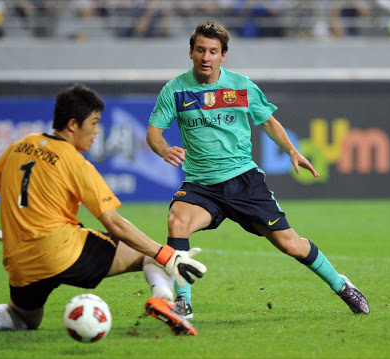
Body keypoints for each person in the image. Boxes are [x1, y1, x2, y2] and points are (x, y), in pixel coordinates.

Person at [0, 84, 206, 336]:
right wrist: (167, 255)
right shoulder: (75, 163)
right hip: (63, 252)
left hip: (20, 261)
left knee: (24, 318)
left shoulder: (19, 146)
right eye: (94, 123)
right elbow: (115, 223)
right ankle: (165, 301)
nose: (98, 131)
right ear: (73, 124)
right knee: (152, 256)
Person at [146, 21, 370, 318]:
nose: (206, 57)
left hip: (243, 182)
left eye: (213, 51)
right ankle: (183, 302)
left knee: (291, 245)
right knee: (177, 221)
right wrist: (163, 149)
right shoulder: (174, 91)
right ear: (190, 52)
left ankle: (341, 285)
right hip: (201, 185)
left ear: (223, 56)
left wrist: (292, 151)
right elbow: (153, 132)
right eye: (200, 50)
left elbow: (268, 121)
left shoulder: (241, 86)